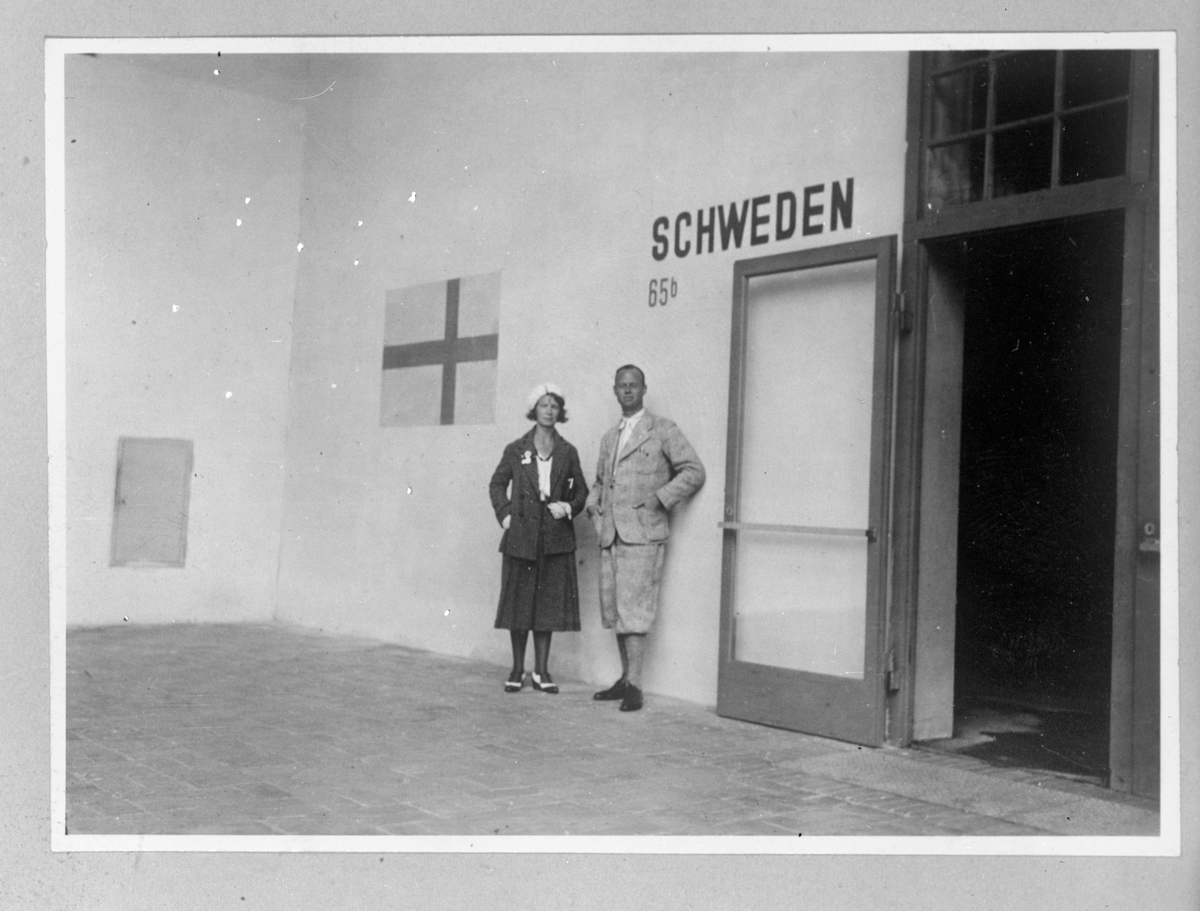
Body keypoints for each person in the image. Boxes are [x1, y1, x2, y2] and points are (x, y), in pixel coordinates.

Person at [584, 365, 705, 712]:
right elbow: (599, 483)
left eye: (633, 385)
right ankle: (625, 679)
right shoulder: (610, 437)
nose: (627, 391)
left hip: (643, 535)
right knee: (617, 609)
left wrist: (660, 499)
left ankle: (635, 684)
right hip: (611, 535)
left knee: (635, 610)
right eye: (622, 386)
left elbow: (694, 471)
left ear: (643, 389)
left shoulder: (663, 429)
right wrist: (593, 508)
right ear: (615, 390)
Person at [489, 383, 589, 694]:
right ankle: (518, 669)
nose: (549, 411)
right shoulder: (516, 449)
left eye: (554, 406)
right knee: (519, 606)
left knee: (547, 606)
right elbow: (496, 484)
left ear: (561, 412)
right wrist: (506, 515)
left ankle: (541, 671)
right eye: (544, 405)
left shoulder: (568, 451)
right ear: (534, 410)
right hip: (522, 536)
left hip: (555, 538)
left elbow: (582, 491)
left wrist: (568, 507)